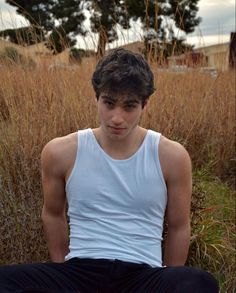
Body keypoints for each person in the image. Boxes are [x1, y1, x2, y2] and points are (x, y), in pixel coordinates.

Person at [0, 48, 218, 293]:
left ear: (145, 104)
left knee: (199, 283)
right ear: (96, 97)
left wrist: (168, 280)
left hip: (143, 275)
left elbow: (179, 226)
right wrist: (61, 268)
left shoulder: (171, 156)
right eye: (109, 103)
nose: (117, 117)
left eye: (129, 106)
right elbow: (52, 214)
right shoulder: (61, 152)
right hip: (80, 272)